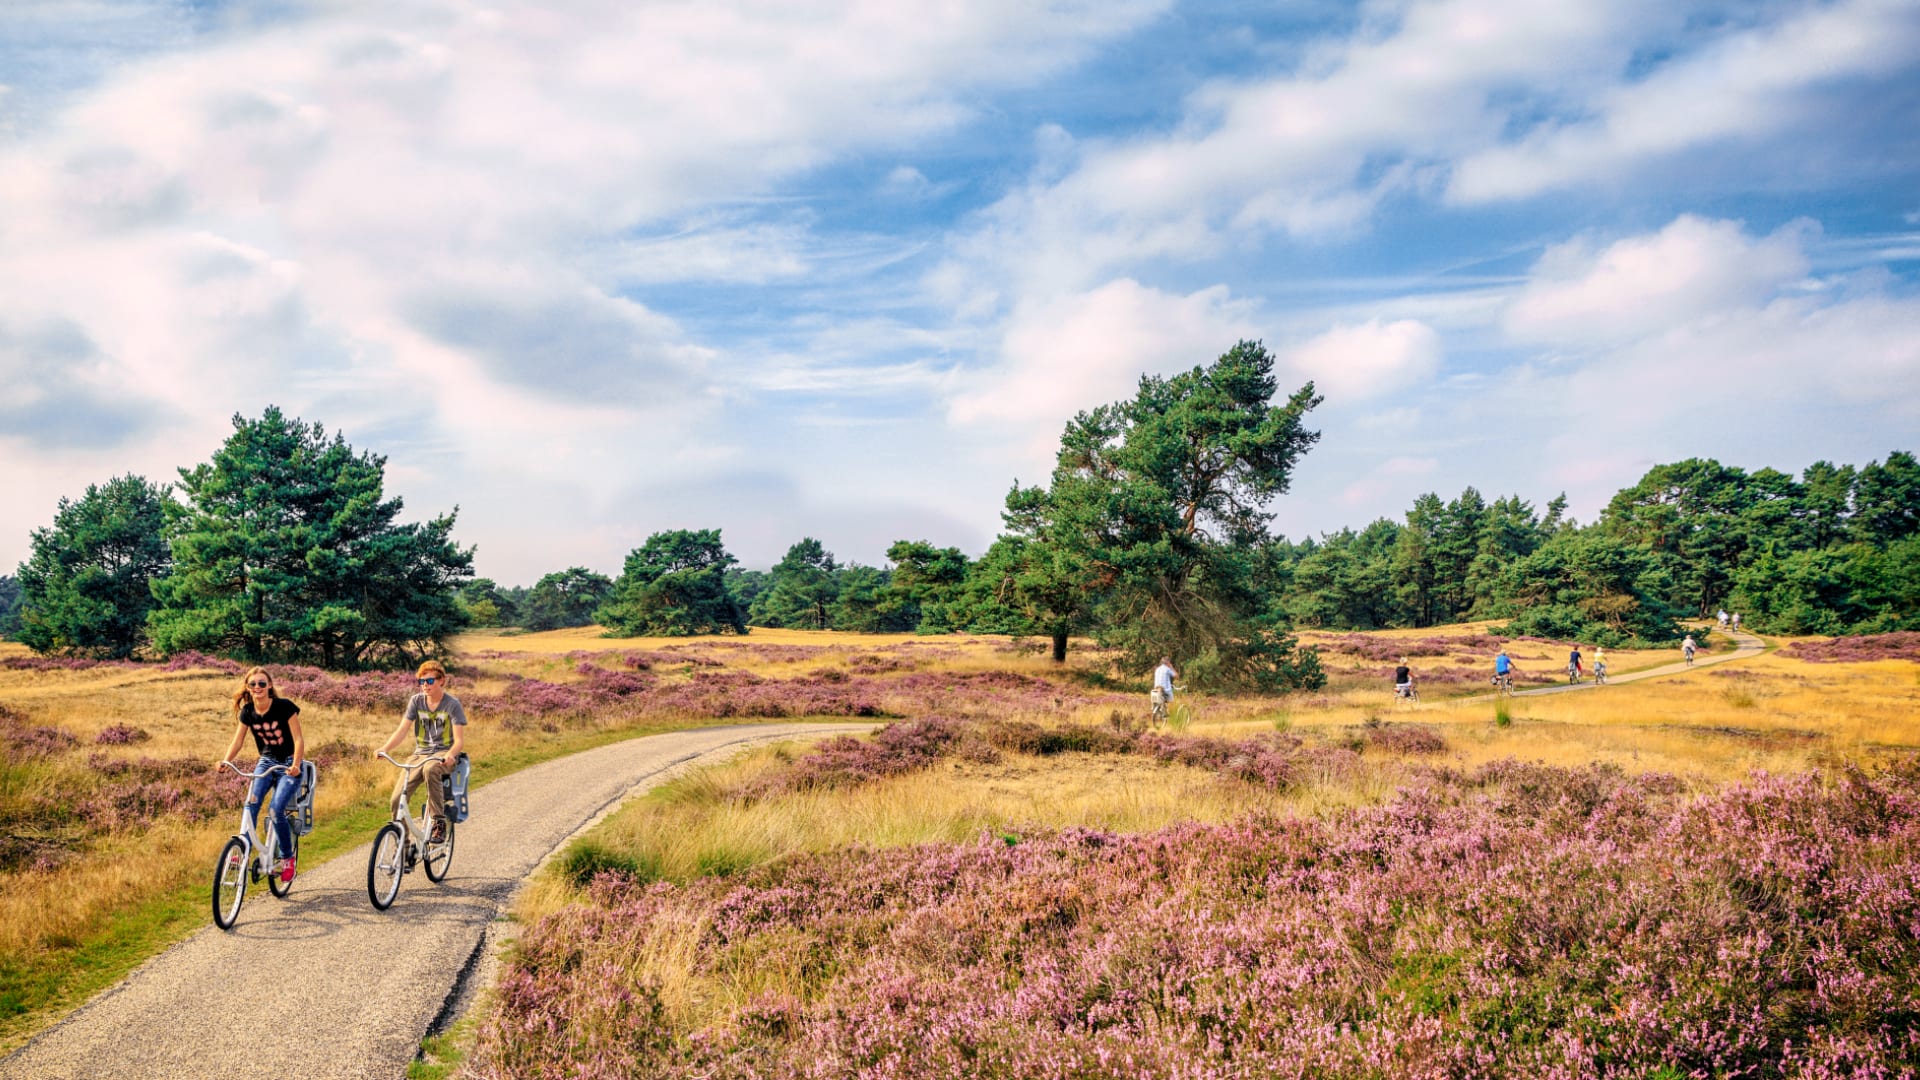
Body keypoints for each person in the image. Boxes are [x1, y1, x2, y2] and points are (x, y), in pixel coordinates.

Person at [217, 667, 305, 883]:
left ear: (269, 686)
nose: (258, 687)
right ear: (248, 687)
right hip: (266, 762)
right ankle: (243, 850)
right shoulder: (248, 712)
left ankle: (287, 859)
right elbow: (238, 741)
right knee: (251, 803)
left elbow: (298, 739)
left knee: (275, 809)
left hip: (288, 764)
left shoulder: (284, 707)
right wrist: (226, 761)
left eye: (262, 684)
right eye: (253, 684)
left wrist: (296, 764)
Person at [377, 660, 467, 844]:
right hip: (419, 755)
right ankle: (404, 846)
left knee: (430, 769)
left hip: (443, 754)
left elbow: (459, 741)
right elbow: (402, 730)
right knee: (396, 800)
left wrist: (450, 754)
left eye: (430, 681)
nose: (425, 685)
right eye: (422, 681)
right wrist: (385, 748)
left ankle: (438, 822)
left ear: (441, 680)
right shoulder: (416, 701)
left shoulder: (452, 704)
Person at [1150, 656, 1177, 723]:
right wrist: (1171, 667)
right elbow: (1176, 676)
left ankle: (1162, 710)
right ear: (1168, 662)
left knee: (1162, 699)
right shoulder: (1167, 669)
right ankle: (1172, 716)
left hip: (1156, 690)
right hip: (1164, 690)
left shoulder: (1157, 669)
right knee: (1171, 701)